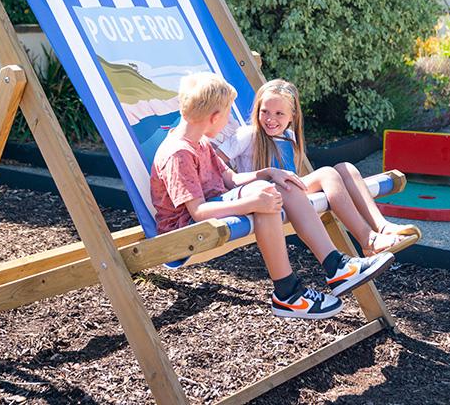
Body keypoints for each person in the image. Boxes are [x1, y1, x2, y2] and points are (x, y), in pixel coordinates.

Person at [151, 72, 394, 320]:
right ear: (214, 117)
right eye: (225, 116)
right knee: (264, 195)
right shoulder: (178, 153)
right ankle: (287, 292)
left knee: (282, 184)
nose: (227, 122)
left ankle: (336, 266)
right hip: (187, 229)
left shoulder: (199, 143)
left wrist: (270, 172)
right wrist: (253, 201)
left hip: (215, 206)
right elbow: (198, 212)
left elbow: (231, 179)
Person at [217, 79, 418, 257]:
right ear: (257, 109)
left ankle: (382, 227)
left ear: (292, 116)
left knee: (346, 168)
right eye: (265, 112)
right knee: (327, 174)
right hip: (267, 196)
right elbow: (216, 162)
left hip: (290, 193)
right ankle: (369, 241)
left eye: (279, 113)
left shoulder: (288, 136)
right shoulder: (247, 135)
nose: (270, 119)